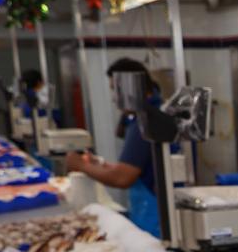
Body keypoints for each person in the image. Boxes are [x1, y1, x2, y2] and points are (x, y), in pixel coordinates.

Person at [63, 58, 163, 237]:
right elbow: (138, 167)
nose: (114, 98)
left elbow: (123, 178)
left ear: (130, 88)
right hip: (151, 212)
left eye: (115, 90)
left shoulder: (145, 121)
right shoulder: (150, 113)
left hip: (155, 218)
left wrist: (81, 166)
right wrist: (99, 164)